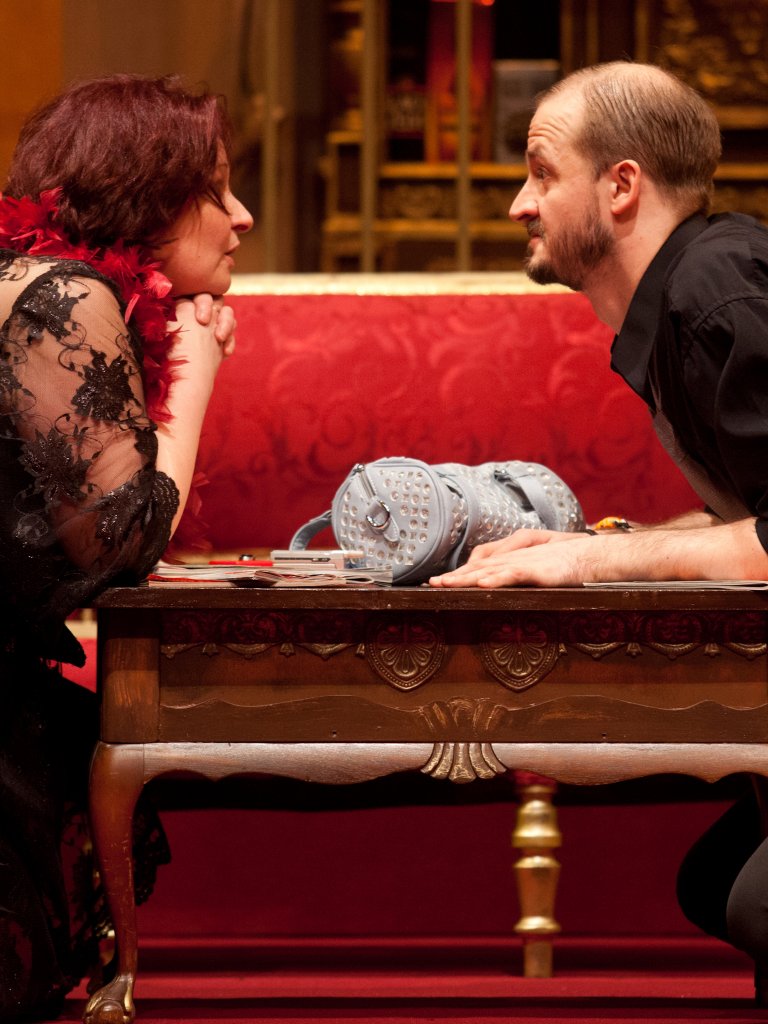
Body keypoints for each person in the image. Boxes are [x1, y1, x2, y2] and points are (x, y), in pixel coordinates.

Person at [429, 60, 768, 1000]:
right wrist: (591, 549)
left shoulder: (717, 293)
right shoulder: (691, 291)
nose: (518, 204)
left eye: (541, 173)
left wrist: (596, 561)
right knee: (715, 882)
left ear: (621, 186)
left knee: (752, 899)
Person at [0, 74, 252, 1020]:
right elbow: (122, 539)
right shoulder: (62, 300)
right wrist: (195, 371)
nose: (242, 216)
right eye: (214, 189)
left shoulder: (38, 283)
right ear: (143, 195)